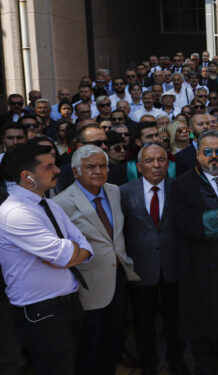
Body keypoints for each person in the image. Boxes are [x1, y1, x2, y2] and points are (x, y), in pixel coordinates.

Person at [0, 143, 92, 375]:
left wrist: (71, 253)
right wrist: (71, 253)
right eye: (49, 166)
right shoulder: (15, 213)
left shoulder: (50, 204)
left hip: (69, 304)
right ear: (27, 176)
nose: (59, 170)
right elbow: (71, 253)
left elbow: (86, 248)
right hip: (42, 313)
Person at [53, 145, 139, 375]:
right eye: (91, 167)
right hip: (87, 286)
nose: (98, 171)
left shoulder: (114, 191)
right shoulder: (62, 203)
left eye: (103, 166)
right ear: (75, 171)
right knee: (90, 346)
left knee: (113, 342)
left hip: (118, 279)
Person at [171, 130, 218, 375]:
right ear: (197, 154)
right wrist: (215, 215)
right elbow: (181, 221)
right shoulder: (182, 184)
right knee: (204, 328)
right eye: (207, 152)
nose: (213, 157)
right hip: (202, 269)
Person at [119, 143, 187, 375]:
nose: (156, 165)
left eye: (161, 160)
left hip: (173, 267)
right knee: (143, 324)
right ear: (139, 166)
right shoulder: (124, 192)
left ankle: (177, 363)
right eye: (149, 161)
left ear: (168, 164)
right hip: (140, 270)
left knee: (175, 323)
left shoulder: (179, 188)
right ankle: (148, 366)